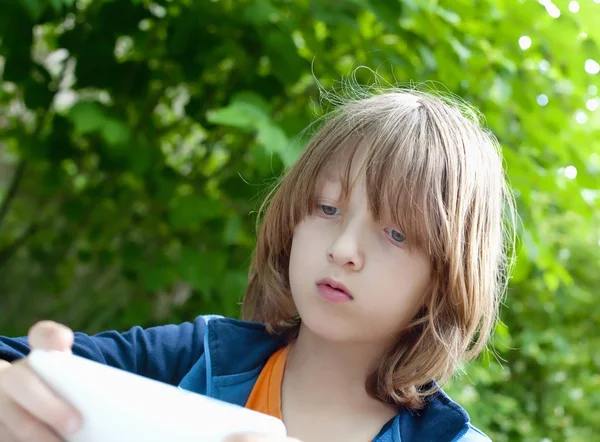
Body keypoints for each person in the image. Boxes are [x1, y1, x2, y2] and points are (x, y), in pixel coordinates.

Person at [0, 85, 515, 442]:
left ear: (445, 278)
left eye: (396, 233)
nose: (343, 249)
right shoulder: (193, 360)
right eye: (328, 209)